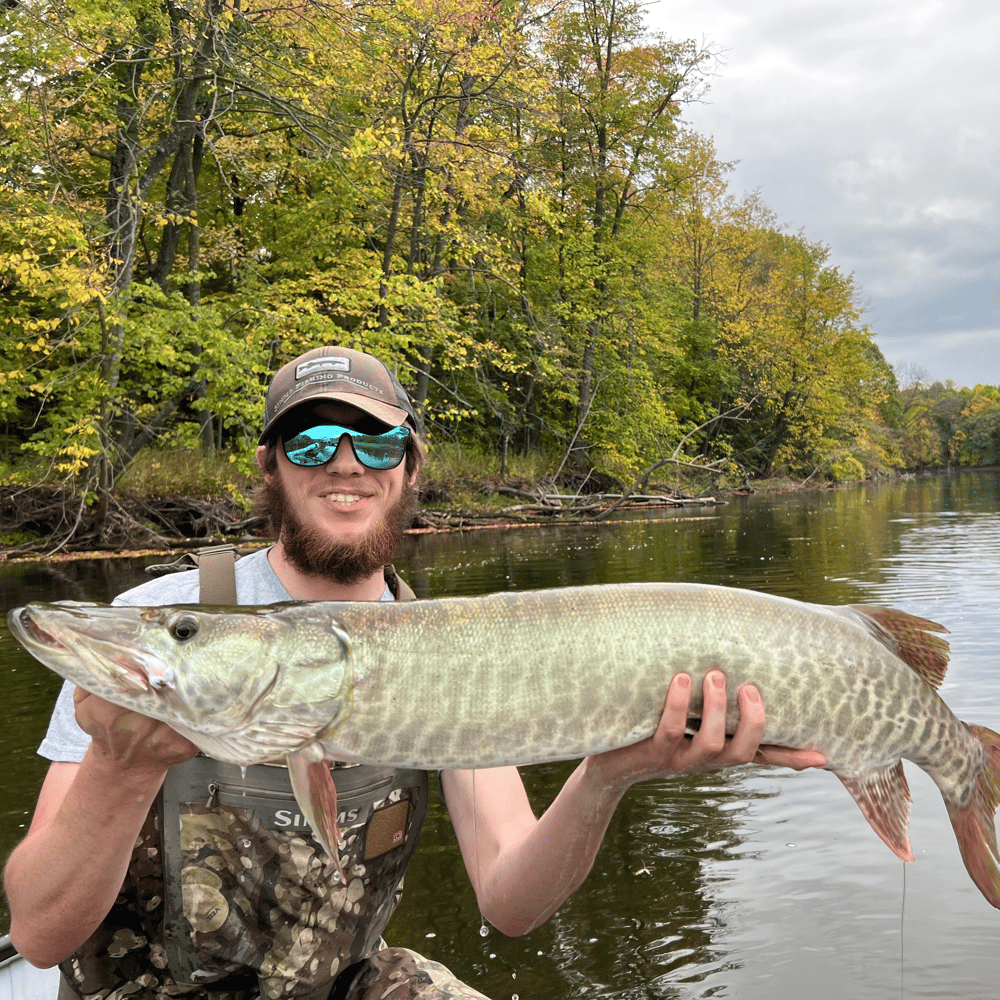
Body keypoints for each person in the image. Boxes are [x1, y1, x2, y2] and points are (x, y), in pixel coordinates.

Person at [3, 346, 826, 1000]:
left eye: (376, 439)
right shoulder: (169, 609)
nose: (346, 464)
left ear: (409, 464)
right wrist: (117, 769)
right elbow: (40, 936)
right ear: (271, 466)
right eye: (313, 440)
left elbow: (512, 900)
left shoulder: (451, 646)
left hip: (345, 983)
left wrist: (613, 771)